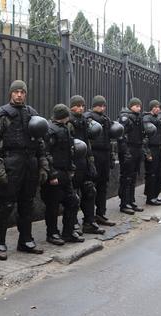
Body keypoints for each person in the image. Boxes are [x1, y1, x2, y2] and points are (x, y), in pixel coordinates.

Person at [0, 80, 49, 260]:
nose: (19, 95)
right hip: (11, 162)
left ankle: (25, 240)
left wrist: (43, 164)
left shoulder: (32, 114)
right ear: (11, 94)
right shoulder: (2, 114)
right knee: (6, 204)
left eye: (22, 92)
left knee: (27, 204)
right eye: (16, 92)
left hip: (30, 163)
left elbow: (40, 142)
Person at [41, 104, 84, 245]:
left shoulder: (65, 128)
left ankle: (68, 231)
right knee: (53, 206)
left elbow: (69, 151)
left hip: (65, 172)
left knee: (72, 201)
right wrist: (52, 174)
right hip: (55, 174)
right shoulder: (50, 130)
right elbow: (45, 153)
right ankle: (52, 233)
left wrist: (70, 169)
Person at [69, 95, 105, 234]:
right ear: (72, 106)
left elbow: (87, 143)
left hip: (84, 161)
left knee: (90, 191)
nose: (80, 108)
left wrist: (91, 162)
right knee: (73, 195)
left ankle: (89, 222)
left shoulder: (84, 121)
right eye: (77, 105)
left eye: (82, 106)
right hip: (73, 162)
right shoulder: (68, 122)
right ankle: (72, 224)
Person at [85, 95, 117, 227]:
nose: (102, 107)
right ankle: (89, 217)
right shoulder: (88, 118)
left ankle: (101, 214)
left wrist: (111, 156)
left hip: (104, 154)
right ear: (94, 105)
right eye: (100, 105)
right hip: (94, 154)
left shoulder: (106, 119)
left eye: (104, 105)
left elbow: (110, 139)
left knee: (103, 186)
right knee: (92, 187)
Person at [117, 98, 147, 215]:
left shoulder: (139, 118)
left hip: (137, 149)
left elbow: (143, 134)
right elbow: (121, 136)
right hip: (129, 149)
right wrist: (125, 151)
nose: (138, 108)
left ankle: (131, 201)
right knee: (126, 177)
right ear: (130, 106)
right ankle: (124, 203)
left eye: (139, 106)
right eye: (136, 106)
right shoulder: (126, 118)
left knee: (133, 177)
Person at [143, 100, 161, 206]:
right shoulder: (146, 119)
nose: (158, 108)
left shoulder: (160, 119)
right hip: (151, 149)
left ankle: (155, 195)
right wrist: (147, 152)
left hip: (160, 149)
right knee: (152, 174)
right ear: (151, 108)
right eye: (155, 107)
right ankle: (150, 197)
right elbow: (144, 137)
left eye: (158, 107)